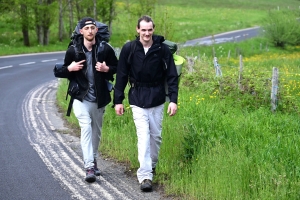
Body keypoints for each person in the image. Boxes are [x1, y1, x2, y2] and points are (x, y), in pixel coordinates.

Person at [113, 15, 178, 191]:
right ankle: (145, 176)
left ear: (153, 29)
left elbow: (172, 76)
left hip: (157, 98)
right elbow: (121, 76)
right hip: (137, 98)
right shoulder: (129, 49)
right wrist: (117, 101)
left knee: (155, 137)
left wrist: (173, 100)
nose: (146, 33)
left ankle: (151, 165)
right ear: (138, 30)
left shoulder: (162, 50)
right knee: (143, 137)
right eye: (143, 30)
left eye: (149, 30)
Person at [59, 17, 118, 183]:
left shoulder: (105, 49)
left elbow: (118, 67)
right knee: (85, 126)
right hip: (80, 97)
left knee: (96, 132)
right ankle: (89, 166)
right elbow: (63, 71)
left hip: (99, 98)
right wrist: (69, 68)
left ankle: (93, 158)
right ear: (81, 31)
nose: (90, 31)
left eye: (93, 28)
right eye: (87, 28)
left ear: (96, 30)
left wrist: (107, 69)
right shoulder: (74, 50)